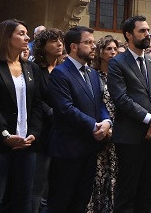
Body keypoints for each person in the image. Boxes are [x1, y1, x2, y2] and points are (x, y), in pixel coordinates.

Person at [0, 19, 43, 213]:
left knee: (24, 198)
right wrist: (5, 135)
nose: (27, 37)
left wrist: (33, 133)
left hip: (26, 142)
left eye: (27, 33)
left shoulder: (31, 68)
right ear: (7, 36)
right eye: (21, 33)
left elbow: (36, 105)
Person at [45, 26, 110, 213]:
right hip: (68, 149)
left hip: (89, 148)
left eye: (93, 42)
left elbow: (101, 104)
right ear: (73, 46)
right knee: (61, 202)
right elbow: (65, 109)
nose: (93, 47)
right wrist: (94, 125)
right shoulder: (60, 73)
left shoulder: (93, 73)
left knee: (81, 201)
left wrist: (106, 122)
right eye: (88, 42)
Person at [107, 15, 151, 213]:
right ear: (128, 35)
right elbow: (121, 99)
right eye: (142, 31)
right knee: (127, 192)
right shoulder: (117, 63)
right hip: (131, 136)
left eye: (148, 30)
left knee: (146, 192)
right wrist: (150, 120)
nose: (147, 34)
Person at [31, 28, 65, 212]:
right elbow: (35, 99)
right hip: (42, 132)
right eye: (54, 41)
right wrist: (55, 113)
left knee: (56, 185)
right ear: (42, 47)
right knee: (37, 185)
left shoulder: (63, 69)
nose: (59, 44)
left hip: (61, 134)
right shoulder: (35, 68)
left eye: (60, 40)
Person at [88, 35, 120, 213]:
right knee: (97, 177)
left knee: (113, 177)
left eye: (115, 49)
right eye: (109, 49)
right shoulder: (93, 75)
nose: (113, 52)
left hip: (118, 132)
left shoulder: (120, 76)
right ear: (100, 52)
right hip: (99, 130)